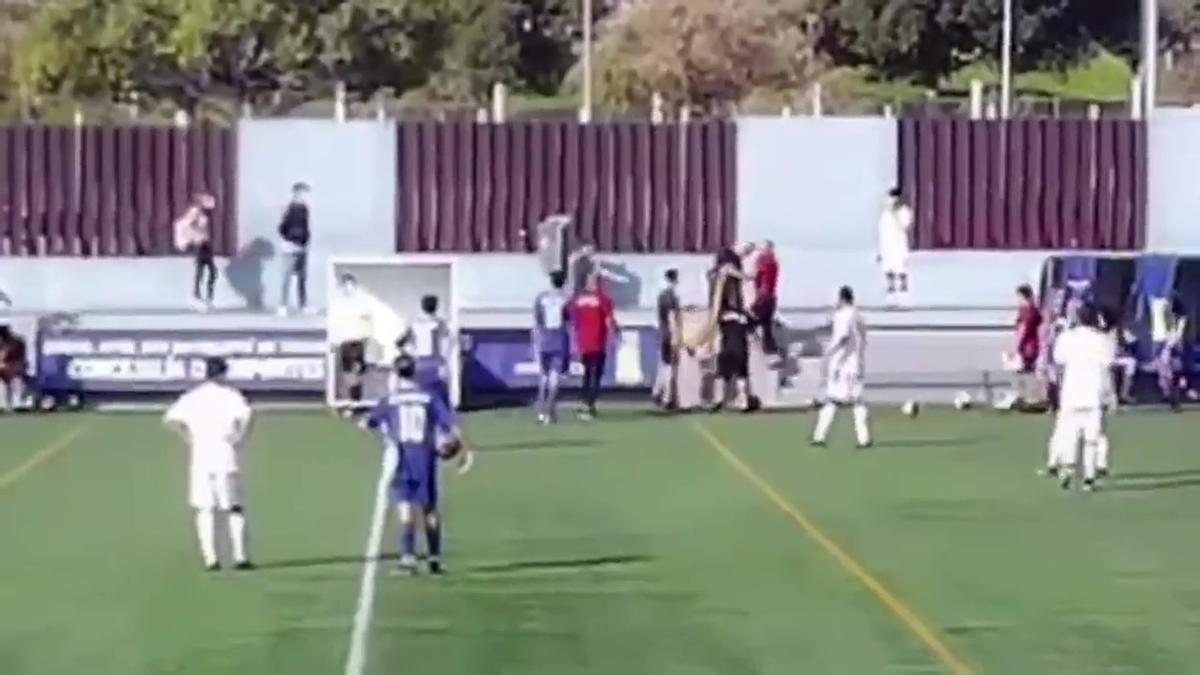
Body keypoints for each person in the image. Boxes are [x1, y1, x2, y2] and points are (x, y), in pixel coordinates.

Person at [364, 355, 470, 575]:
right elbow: (449, 425)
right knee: (430, 507)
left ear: (396, 373)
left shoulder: (391, 399)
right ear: (414, 372)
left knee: (405, 506)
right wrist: (462, 450)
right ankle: (434, 557)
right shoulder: (428, 397)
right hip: (425, 455)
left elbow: (370, 421)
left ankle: (408, 558)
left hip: (402, 454)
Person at [162, 357, 254, 571]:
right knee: (234, 507)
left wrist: (188, 437)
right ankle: (240, 556)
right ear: (223, 373)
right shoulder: (231, 396)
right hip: (226, 457)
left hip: (201, 458)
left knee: (205, 509)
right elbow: (247, 418)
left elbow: (171, 419)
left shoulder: (192, 397)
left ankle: (210, 559)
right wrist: (238, 436)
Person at [1044, 304, 1114, 491]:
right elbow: (1108, 365)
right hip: (1094, 394)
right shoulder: (1102, 339)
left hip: (1071, 393)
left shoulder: (1067, 337)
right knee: (1092, 438)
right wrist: (1111, 394)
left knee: (1069, 434)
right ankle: (1089, 478)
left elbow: (1058, 360)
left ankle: (1067, 469)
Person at [811, 286, 871, 448]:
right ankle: (864, 439)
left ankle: (819, 436)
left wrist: (829, 354)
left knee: (832, 400)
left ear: (842, 299)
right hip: (856, 364)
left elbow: (843, 337)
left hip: (843, 364)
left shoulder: (843, 315)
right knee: (857, 401)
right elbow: (861, 339)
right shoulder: (859, 316)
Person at [710, 247, 756, 413]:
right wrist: (748, 276)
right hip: (734, 321)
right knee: (738, 361)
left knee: (726, 363)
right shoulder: (727, 275)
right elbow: (729, 268)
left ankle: (722, 398)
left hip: (725, 323)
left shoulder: (715, 277)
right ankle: (739, 398)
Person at [572, 274, 617, 420]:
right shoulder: (603, 299)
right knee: (596, 376)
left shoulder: (578, 299)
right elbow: (609, 319)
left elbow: (571, 317)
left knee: (586, 375)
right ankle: (590, 406)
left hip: (583, 343)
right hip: (598, 342)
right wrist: (616, 334)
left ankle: (583, 403)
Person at [398, 295, 451, 407]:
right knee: (440, 396)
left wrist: (407, 355)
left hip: (419, 363)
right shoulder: (440, 323)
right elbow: (448, 339)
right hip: (436, 363)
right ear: (436, 306)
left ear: (422, 306)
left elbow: (399, 342)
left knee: (422, 396)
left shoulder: (414, 323)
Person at [329, 274, 373, 407]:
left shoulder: (360, 301)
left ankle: (356, 401)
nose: (347, 288)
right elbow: (335, 323)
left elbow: (367, 319)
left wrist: (366, 339)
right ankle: (353, 400)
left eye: (350, 285)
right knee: (348, 374)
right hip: (345, 341)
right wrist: (334, 340)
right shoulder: (339, 304)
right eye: (345, 285)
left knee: (355, 372)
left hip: (357, 341)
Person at [532, 271, 571, 424]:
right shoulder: (566, 299)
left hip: (544, 339)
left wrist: (536, 339)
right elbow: (569, 319)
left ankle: (541, 412)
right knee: (555, 377)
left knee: (543, 376)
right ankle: (550, 411)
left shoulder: (541, 297)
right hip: (559, 339)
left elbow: (537, 320)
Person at [174, 193, 218, 311]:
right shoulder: (195, 212)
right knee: (201, 271)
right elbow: (183, 225)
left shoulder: (204, 213)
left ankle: (208, 298)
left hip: (205, 244)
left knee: (212, 272)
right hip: (199, 245)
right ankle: (196, 297)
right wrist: (193, 238)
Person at [278, 182, 311, 315]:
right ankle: (283, 305)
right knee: (288, 276)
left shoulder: (304, 209)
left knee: (302, 277)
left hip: (301, 246)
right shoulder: (291, 208)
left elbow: (306, 227)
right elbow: (282, 227)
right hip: (291, 246)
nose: (305, 196)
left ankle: (302, 304)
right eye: (304, 193)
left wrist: (305, 240)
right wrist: (290, 239)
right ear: (297, 192)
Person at [651, 269, 682, 410]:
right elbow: (671, 317)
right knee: (669, 366)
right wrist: (676, 335)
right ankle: (667, 397)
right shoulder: (670, 296)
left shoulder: (662, 295)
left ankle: (658, 392)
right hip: (669, 334)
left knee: (664, 364)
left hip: (663, 333)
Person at [877, 187, 913, 305]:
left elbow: (905, 225)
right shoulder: (885, 213)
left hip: (898, 244)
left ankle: (903, 290)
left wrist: (895, 213)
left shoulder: (904, 211)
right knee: (888, 267)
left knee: (900, 267)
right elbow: (882, 230)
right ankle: (891, 289)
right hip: (887, 245)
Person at [751, 240, 780, 356]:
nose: (759, 251)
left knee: (753, 320)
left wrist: (759, 297)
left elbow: (765, 282)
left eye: (762, 249)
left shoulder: (767, 263)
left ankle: (766, 346)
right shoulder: (770, 261)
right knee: (766, 324)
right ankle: (769, 347)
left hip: (765, 297)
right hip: (769, 297)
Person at [0, 325, 28, 411]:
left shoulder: (16, 341)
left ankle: (16, 404)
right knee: (4, 384)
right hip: (7, 368)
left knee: (15, 380)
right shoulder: (5, 342)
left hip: (15, 367)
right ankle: (5, 404)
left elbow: (19, 357)